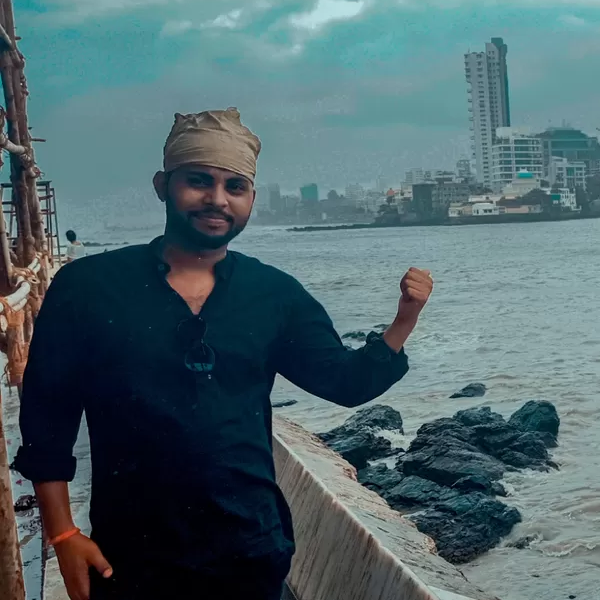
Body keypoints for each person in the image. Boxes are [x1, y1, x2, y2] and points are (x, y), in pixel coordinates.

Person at [13, 108, 435, 600]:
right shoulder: (88, 288)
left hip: (251, 552)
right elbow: (48, 418)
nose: (217, 200)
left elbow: (344, 383)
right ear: (162, 185)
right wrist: (64, 535)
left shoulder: (274, 295)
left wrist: (404, 319)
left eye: (235, 187)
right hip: (128, 557)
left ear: (250, 198)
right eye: (199, 181)